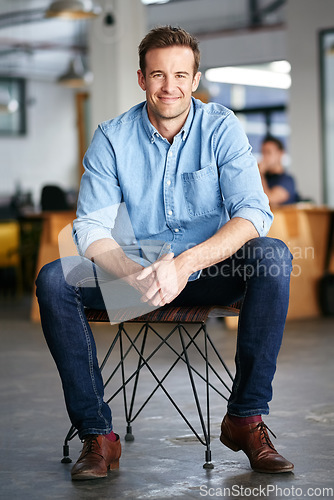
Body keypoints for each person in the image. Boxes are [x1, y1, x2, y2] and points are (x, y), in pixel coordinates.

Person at [36, 26, 294, 480]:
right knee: (55, 278)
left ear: (195, 79)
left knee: (272, 255)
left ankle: (246, 419)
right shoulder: (112, 138)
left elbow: (253, 212)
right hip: (132, 274)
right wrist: (135, 275)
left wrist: (185, 264)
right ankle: (98, 436)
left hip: (207, 269)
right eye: (157, 74)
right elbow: (91, 226)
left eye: (180, 75)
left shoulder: (221, 127)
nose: (169, 86)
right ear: (141, 78)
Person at [259, 135, 299, 206]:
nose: (265, 156)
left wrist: (260, 174)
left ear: (280, 153)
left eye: (268, 152)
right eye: (263, 152)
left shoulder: (287, 180)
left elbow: (269, 199)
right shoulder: (264, 177)